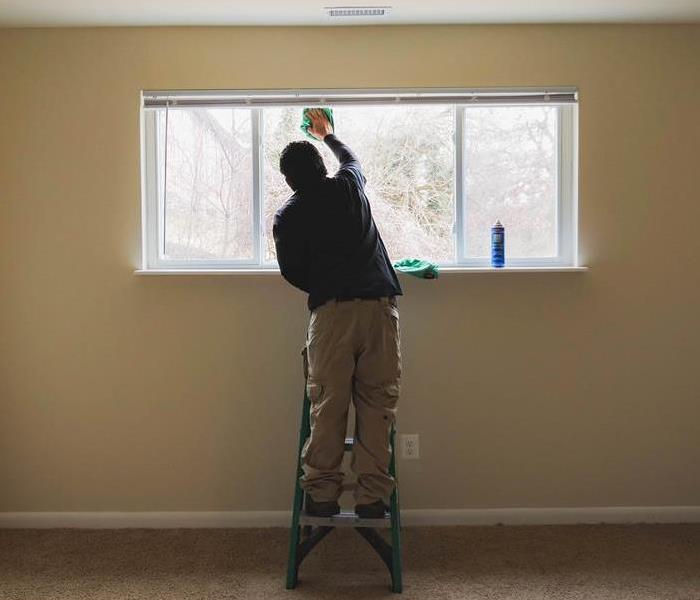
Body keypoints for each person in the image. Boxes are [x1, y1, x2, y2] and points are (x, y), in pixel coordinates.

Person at [273, 109, 402, 519]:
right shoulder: (348, 187)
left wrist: (326, 283)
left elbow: (292, 272)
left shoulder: (289, 216)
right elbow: (353, 162)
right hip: (379, 311)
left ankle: (322, 495)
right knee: (377, 405)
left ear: (289, 180)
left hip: (331, 316)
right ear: (320, 166)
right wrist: (328, 135)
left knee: (328, 405)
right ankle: (372, 497)